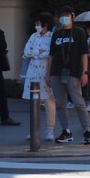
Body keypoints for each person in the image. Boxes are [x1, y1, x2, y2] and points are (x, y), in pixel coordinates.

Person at [45, 6, 90, 145]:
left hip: (74, 71)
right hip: (57, 72)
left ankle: (86, 130)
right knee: (60, 103)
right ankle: (66, 130)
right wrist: (48, 74)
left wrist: (85, 73)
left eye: (66, 15)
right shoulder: (56, 34)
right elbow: (51, 55)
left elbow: (84, 53)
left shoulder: (79, 32)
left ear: (72, 16)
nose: (63, 17)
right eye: (61, 15)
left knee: (78, 102)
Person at [21, 12, 56, 141]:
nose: (37, 26)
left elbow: (50, 53)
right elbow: (26, 52)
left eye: (38, 23)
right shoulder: (33, 36)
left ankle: (50, 129)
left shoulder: (52, 36)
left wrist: (38, 54)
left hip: (46, 69)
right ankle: (34, 129)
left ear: (46, 24)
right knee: (34, 101)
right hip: (33, 70)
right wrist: (37, 52)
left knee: (48, 100)